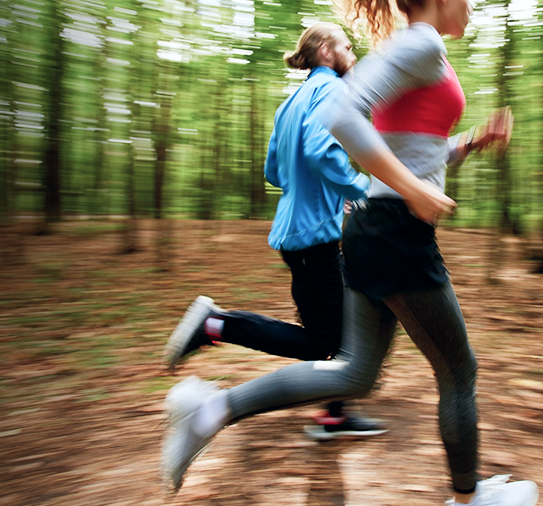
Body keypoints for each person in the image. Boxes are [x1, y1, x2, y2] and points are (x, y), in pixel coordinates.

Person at [160, 0, 538, 506]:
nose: (472, 0)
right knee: (459, 370)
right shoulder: (421, 46)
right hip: (393, 230)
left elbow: (408, 148)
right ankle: (468, 505)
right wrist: (414, 190)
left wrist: (467, 144)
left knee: (353, 372)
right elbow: (342, 115)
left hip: (365, 225)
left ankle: (210, 409)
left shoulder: (410, 50)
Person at [161, 22, 386, 440]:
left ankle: (335, 415)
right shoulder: (333, 90)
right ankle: (217, 325)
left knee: (333, 334)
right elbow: (320, 151)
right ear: (325, 51)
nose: (352, 53)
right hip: (314, 237)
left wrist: (318, 191)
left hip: (296, 233)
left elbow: (273, 171)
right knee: (329, 342)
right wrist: (360, 190)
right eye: (346, 46)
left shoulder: (289, 104)